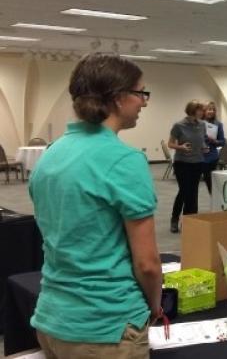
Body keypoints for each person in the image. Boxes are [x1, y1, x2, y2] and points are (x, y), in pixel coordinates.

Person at [29, 53, 161, 358]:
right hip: (105, 327)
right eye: (141, 93)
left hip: (52, 317)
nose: (145, 102)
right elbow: (148, 264)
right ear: (118, 98)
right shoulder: (125, 160)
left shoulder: (50, 155)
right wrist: (154, 306)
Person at [168, 100, 206, 233]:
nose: (203, 112)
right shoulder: (179, 125)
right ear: (192, 110)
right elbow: (170, 144)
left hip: (197, 162)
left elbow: (201, 141)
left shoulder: (202, 125)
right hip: (182, 163)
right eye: (200, 109)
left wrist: (203, 148)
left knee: (193, 192)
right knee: (184, 192)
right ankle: (174, 219)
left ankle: (190, 221)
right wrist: (181, 147)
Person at [201, 101, 226, 194]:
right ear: (203, 111)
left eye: (212, 109)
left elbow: (222, 142)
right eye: (208, 109)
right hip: (197, 157)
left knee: (211, 184)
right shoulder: (198, 123)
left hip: (211, 157)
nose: (210, 111)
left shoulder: (218, 124)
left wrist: (215, 141)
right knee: (192, 185)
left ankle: (215, 204)